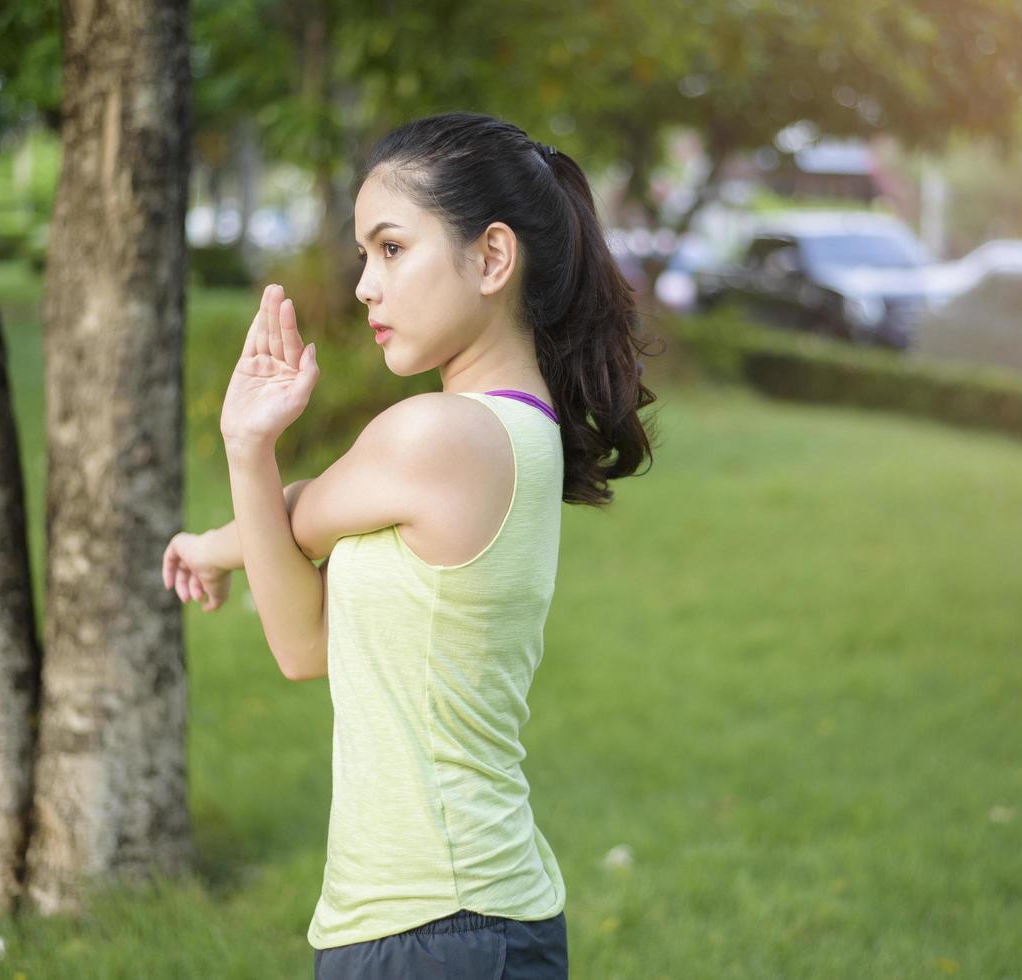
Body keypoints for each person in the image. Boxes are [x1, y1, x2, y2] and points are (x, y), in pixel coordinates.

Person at [161, 110, 660, 979]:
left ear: (492, 258)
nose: (364, 285)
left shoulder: (439, 437)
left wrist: (247, 448)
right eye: (365, 255)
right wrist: (214, 543)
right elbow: (310, 640)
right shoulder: (506, 433)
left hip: (444, 928)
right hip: (440, 921)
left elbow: (297, 547)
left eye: (391, 248)